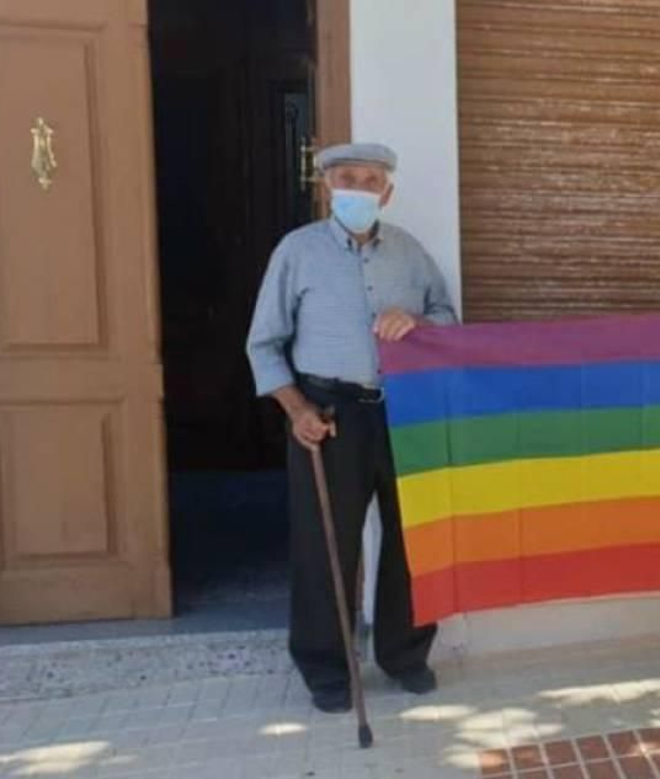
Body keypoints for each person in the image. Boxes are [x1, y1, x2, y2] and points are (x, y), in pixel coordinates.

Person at [245, 142, 457, 712]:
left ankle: (405, 656)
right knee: (324, 544)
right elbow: (263, 344)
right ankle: (327, 671)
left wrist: (415, 320)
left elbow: (447, 318)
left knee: (413, 538)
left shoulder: (410, 253)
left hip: (403, 408)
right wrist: (298, 412)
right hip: (328, 413)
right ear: (327, 188)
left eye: (370, 180)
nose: (358, 189)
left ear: (385, 193)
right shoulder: (297, 252)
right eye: (347, 178)